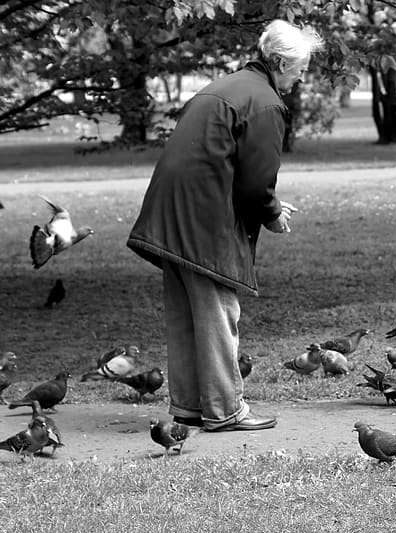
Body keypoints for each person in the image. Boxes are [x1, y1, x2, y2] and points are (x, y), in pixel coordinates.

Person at [127, 20, 323, 431]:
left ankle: (188, 407)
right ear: (280, 62)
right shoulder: (265, 102)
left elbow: (225, 165)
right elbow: (256, 183)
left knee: (186, 314)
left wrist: (264, 204)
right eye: (300, 68)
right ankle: (225, 410)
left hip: (170, 212)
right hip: (202, 219)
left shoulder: (228, 86)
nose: (302, 76)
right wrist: (272, 214)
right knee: (218, 312)